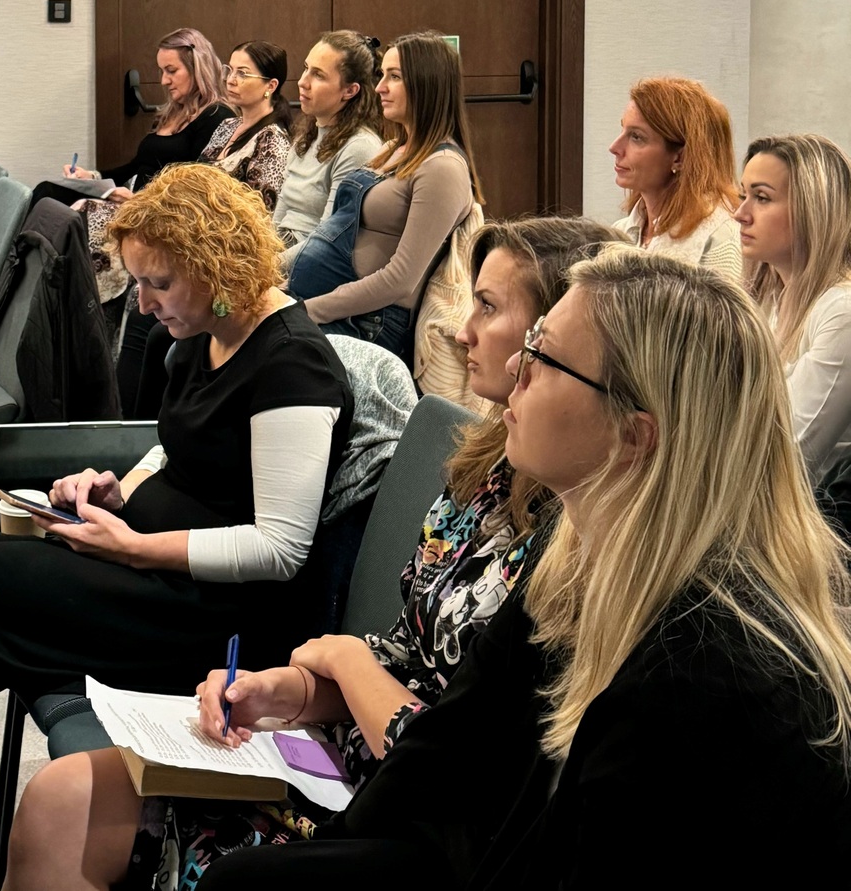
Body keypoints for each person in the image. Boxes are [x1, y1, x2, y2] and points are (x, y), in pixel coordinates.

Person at [2, 215, 626, 891]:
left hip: (409, 814)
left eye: (489, 307)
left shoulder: (578, 540)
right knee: (56, 800)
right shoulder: (484, 471)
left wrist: (340, 658)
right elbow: (404, 653)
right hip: (340, 753)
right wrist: (285, 691)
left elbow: (457, 767)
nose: (460, 330)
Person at [195, 249, 851, 889]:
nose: (516, 365)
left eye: (544, 355)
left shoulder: (704, 671)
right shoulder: (570, 561)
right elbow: (446, 751)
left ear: (633, 435)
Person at [0, 164, 352, 891]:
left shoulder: (294, 366)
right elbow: (176, 446)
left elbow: (279, 548)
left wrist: (134, 548)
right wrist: (117, 487)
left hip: (210, 621)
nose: (143, 302)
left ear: (218, 266)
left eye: (158, 282)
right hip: (147, 578)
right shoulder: (208, 332)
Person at [287, 30, 483, 360]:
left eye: (394, 77)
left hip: (368, 325)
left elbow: (400, 280)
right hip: (329, 307)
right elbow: (330, 231)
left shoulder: (443, 168)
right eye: (382, 75)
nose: (379, 87)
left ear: (426, 84)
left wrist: (306, 311)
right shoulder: (392, 149)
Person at [736, 133, 851, 489]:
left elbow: (788, 457)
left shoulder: (841, 313)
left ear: (814, 210)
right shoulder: (765, 300)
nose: (740, 214)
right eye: (742, 196)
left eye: (761, 198)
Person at [59, 27, 233, 201]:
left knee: (65, 202)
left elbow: (198, 189)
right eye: (162, 71)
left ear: (197, 69)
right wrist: (92, 177)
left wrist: (137, 200)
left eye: (171, 71)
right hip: (137, 205)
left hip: (159, 211)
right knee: (53, 191)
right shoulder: (168, 115)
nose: (164, 81)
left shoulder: (216, 116)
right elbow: (136, 167)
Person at [609, 74, 741, 277]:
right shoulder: (620, 232)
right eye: (623, 130)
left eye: (636, 137)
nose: (614, 147)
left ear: (680, 157)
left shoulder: (720, 238)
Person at [274, 31, 386, 264]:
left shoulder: (359, 147)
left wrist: (265, 269)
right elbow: (280, 215)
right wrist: (256, 255)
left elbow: (326, 239)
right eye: (306, 68)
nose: (303, 82)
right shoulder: (306, 136)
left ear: (350, 91)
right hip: (282, 252)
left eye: (318, 75)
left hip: (311, 265)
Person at [198, 40, 292, 212]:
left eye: (242, 74)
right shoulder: (227, 125)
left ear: (271, 86)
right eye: (230, 70)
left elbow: (261, 213)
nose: (230, 80)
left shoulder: (273, 141)